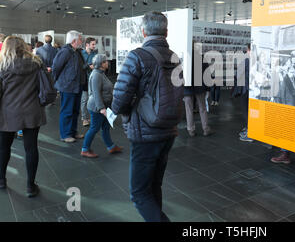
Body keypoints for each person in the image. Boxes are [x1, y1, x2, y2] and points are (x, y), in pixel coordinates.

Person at [111, 11, 183, 222]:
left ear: (143, 31)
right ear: (166, 32)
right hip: (169, 129)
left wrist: (120, 111)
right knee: (154, 186)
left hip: (145, 131)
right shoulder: (174, 57)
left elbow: (120, 96)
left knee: (139, 193)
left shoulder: (137, 56)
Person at [0, 36, 47, 197]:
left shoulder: (2, 66)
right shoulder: (36, 63)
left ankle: (1, 180)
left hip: (7, 112)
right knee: (31, 148)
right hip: (32, 111)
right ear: (24, 47)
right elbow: (45, 88)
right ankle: (30, 186)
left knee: (3, 147)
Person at [81, 54, 122, 158]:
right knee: (94, 128)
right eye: (105, 61)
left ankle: (111, 147)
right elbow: (96, 94)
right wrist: (102, 108)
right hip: (97, 107)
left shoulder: (101, 73)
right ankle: (85, 149)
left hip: (104, 106)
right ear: (101, 64)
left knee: (106, 127)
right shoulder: (96, 75)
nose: (107, 63)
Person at [52, 30, 86, 143]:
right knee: (67, 111)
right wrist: (60, 81)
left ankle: (73, 132)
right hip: (68, 87)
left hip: (77, 86)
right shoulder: (65, 52)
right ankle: (65, 134)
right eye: (80, 39)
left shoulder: (77, 52)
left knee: (75, 110)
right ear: (74, 40)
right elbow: (56, 68)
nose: (82, 41)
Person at [183, 43, 212, 137]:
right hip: (200, 87)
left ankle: (191, 130)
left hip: (187, 88)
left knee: (189, 109)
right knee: (202, 108)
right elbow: (207, 75)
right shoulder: (202, 57)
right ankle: (206, 129)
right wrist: (208, 89)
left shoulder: (184, 58)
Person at [81, 37, 98, 127]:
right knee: (84, 99)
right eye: (93, 44)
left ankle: (92, 117)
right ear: (87, 45)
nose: (94, 46)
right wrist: (88, 66)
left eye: (95, 44)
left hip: (93, 80)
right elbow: (79, 67)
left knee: (93, 99)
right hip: (84, 80)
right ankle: (84, 118)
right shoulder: (81, 54)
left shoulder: (95, 54)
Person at [237, 44, 253, 142]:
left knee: (246, 111)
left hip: (245, 89)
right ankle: (249, 129)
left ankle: (250, 134)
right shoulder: (257, 60)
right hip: (253, 89)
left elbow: (238, 74)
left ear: (248, 50)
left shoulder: (246, 60)